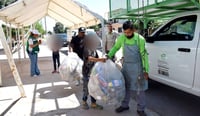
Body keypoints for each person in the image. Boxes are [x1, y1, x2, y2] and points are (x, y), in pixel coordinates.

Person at [107, 21, 149, 116]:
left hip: (138, 67)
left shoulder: (140, 39)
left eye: (128, 32)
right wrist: (108, 55)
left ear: (133, 30)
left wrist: (146, 70)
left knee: (140, 89)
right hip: (126, 66)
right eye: (125, 32)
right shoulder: (122, 38)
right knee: (125, 87)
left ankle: (141, 109)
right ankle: (125, 105)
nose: (127, 34)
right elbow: (116, 47)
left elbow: (144, 56)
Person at [82, 32, 106, 110]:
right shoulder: (86, 48)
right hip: (86, 72)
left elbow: (97, 58)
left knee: (93, 88)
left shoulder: (93, 49)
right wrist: (100, 59)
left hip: (93, 72)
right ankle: (84, 102)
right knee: (86, 88)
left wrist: (102, 60)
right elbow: (89, 58)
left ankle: (93, 103)